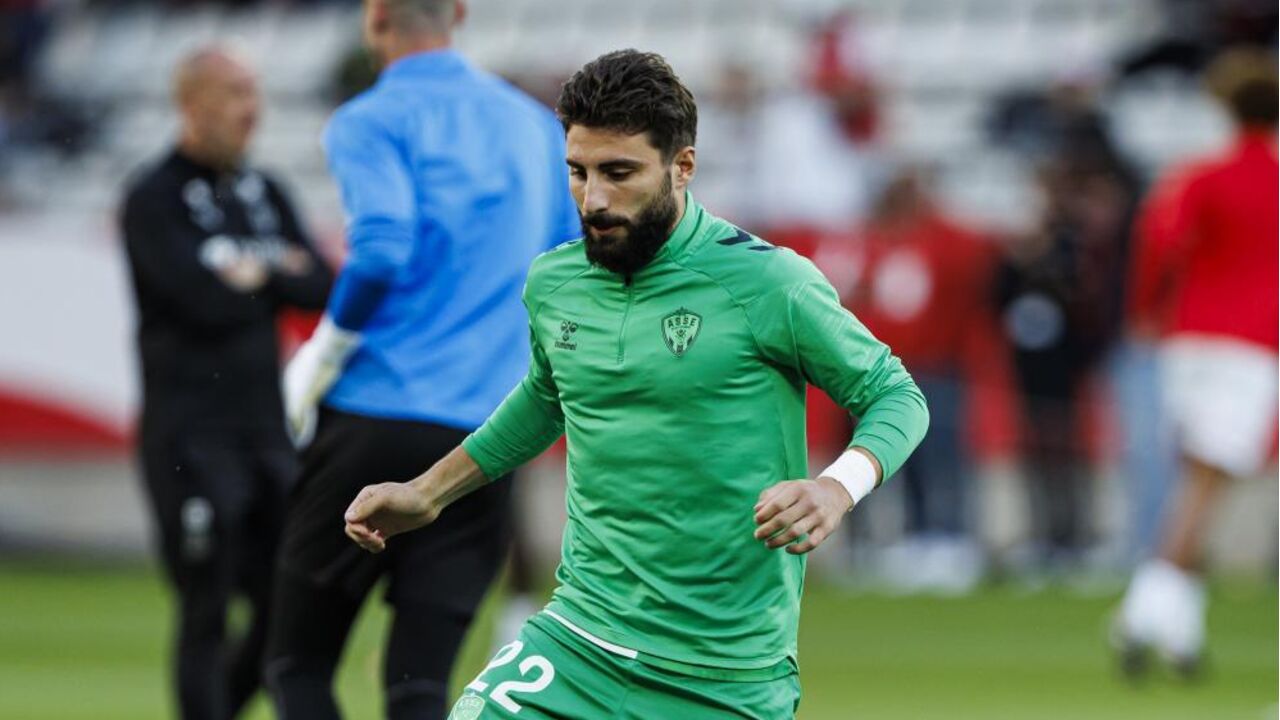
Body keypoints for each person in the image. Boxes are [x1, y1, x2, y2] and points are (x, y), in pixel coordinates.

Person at [343, 50, 930, 719]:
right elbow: (547, 397)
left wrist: (836, 486)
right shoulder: (555, 282)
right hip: (578, 640)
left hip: (724, 671)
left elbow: (895, 394)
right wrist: (427, 493)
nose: (593, 199)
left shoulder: (769, 284)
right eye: (578, 172)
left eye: (619, 173)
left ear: (682, 167)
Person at [263, 0, 579, 717]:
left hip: (374, 415)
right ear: (460, 13)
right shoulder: (532, 128)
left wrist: (323, 352)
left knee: (298, 665)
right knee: (420, 687)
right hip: (483, 439)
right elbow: (569, 270)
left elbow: (379, 250)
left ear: (375, 17)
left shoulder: (370, 119)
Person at [119, 46, 333, 720]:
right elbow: (199, 301)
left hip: (266, 433)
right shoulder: (152, 199)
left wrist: (253, 276)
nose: (254, 108)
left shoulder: (264, 193)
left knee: (285, 603)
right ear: (193, 104)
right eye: (237, 92)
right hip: (189, 437)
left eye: (255, 91)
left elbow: (321, 284)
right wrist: (275, 276)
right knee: (206, 602)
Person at [1112, 47, 1278, 677]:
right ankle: (1142, 614)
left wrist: (1144, 310)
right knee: (1207, 489)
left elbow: (1161, 241)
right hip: (1251, 348)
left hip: (1188, 340)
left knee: (1195, 482)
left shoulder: (1201, 176)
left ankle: (1182, 632)